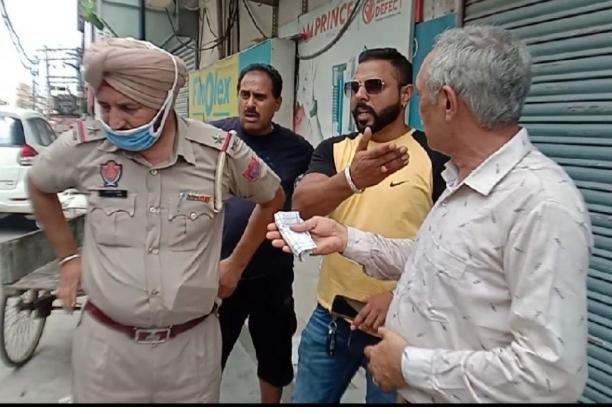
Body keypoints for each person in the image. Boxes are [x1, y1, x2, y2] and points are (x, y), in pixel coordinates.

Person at [267, 26, 592, 403]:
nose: (420, 110)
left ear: (448, 102)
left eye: (422, 96)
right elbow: (431, 261)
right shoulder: (465, 180)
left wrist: (408, 366)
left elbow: (551, 375)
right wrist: (347, 239)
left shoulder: (542, 204)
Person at [27, 38, 285, 403]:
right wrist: (69, 257)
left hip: (191, 353)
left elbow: (272, 196)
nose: (114, 120)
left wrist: (236, 264)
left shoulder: (218, 153)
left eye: (128, 107)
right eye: (105, 106)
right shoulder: (85, 147)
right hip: (106, 351)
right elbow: (38, 184)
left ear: (165, 103)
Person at [290, 48, 447, 404]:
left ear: (406, 94)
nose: (361, 95)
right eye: (354, 87)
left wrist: (396, 297)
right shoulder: (335, 150)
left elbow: (448, 246)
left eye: (374, 86)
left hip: (399, 327)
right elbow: (303, 204)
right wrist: (351, 178)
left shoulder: (432, 154)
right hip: (331, 320)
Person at [209, 63, 313, 403]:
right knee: (207, 359)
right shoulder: (214, 138)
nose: (250, 104)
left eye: (260, 97)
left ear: (277, 102)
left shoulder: (297, 150)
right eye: (245, 95)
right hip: (220, 272)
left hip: (272, 275)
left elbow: (306, 201)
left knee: (274, 357)